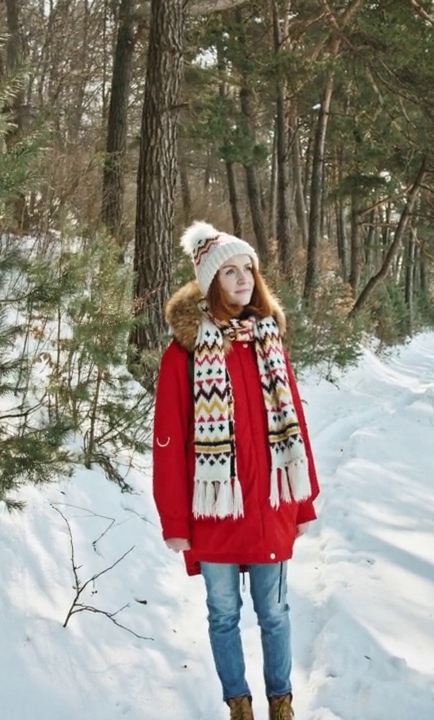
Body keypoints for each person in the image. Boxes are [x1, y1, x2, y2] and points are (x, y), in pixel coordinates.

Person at [152, 221, 320, 720]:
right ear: (210, 283)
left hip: (269, 505)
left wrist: (304, 501)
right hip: (215, 510)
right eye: (229, 270)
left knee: (274, 612)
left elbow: (298, 427)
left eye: (247, 267)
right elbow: (168, 445)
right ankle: (238, 704)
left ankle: (281, 702)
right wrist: (175, 522)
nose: (243, 278)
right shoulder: (183, 355)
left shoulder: (269, 342)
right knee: (224, 614)